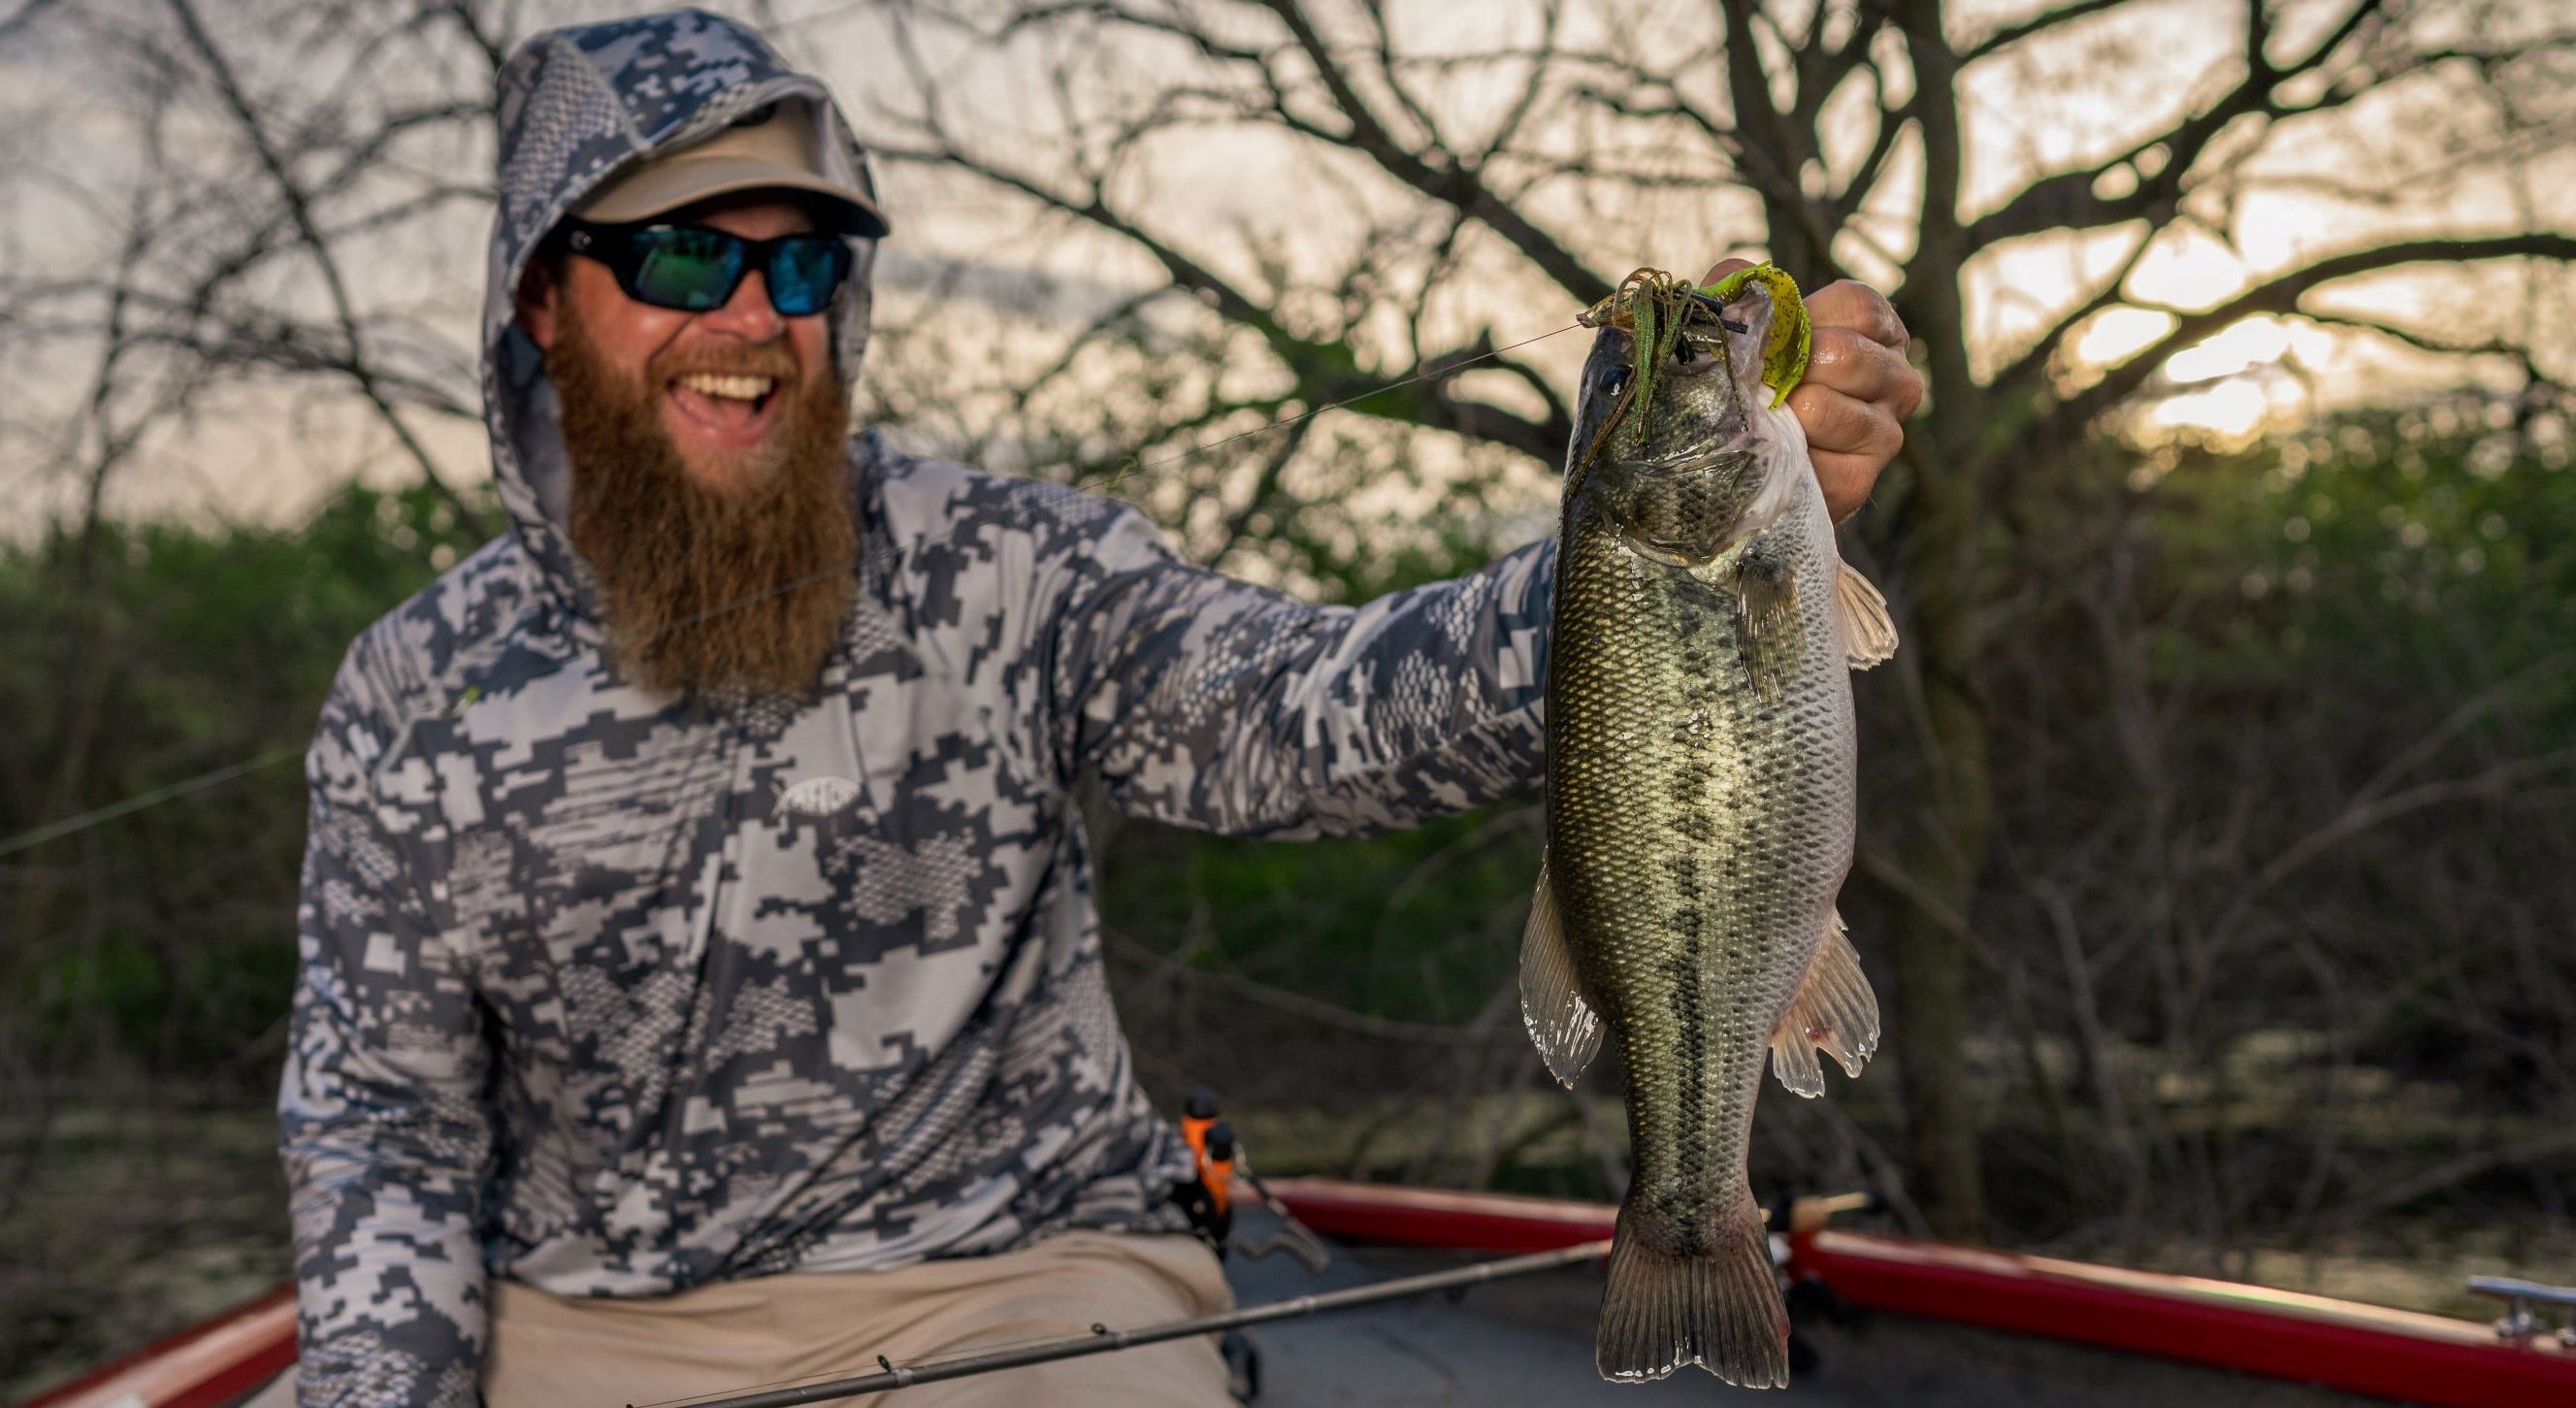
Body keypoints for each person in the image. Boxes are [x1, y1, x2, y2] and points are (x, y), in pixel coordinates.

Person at [269, 9, 1924, 1407]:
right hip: (576, 1331)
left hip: (1020, 1289)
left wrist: (1630, 586)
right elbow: (380, 1130)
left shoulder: (1009, 567)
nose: (749, 315)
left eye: (802, 260)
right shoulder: (417, 691)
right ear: (544, 300)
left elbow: (1306, 713)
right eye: (682, 252)